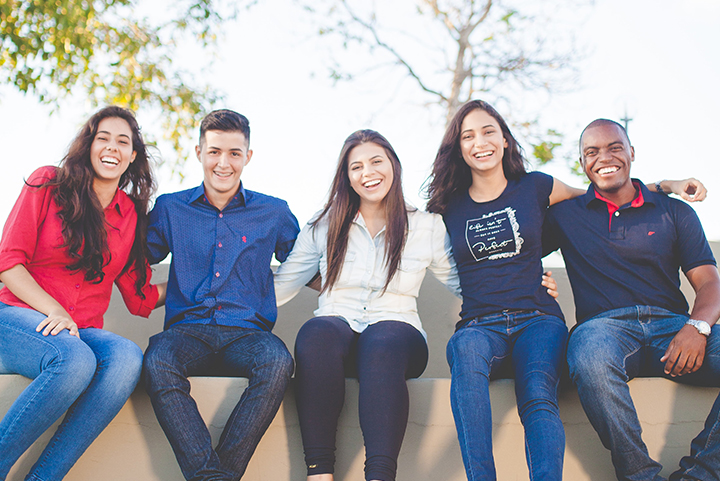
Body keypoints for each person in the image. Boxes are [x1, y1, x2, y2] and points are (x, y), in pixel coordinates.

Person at [424, 100, 702, 481]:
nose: (480, 141)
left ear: (505, 140)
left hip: (539, 319)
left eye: (489, 131)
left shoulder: (537, 186)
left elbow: (602, 192)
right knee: (465, 358)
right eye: (467, 135)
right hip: (481, 323)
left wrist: (663, 186)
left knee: (538, 394)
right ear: (457, 147)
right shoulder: (446, 207)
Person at [273, 130, 467, 481]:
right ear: (346, 177)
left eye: (376, 161)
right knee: (315, 332)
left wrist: (524, 286)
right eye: (356, 167)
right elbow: (282, 284)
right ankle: (319, 473)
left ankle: (380, 475)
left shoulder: (426, 226)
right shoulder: (325, 223)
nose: (368, 173)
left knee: (383, 340)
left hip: (399, 336)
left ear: (393, 164)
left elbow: (463, 283)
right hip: (336, 331)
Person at [543, 119, 720, 481]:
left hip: (673, 328)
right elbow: (515, 245)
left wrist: (697, 327)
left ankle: (701, 474)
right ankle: (640, 476)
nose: (603, 157)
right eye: (591, 152)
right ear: (582, 163)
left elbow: (710, 283)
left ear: (632, 153)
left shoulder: (673, 211)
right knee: (588, 355)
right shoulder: (564, 216)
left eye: (614, 147)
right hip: (604, 331)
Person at [0, 106, 165, 480]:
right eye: (102, 138)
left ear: (133, 155)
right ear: (89, 145)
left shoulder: (130, 215)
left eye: (123, 142)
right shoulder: (48, 183)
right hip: (16, 317)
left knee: (126, 358)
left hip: (80, 329)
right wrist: (55, 310)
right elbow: (9, 261)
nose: (112, 147)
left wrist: (201, 282)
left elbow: (139, 297)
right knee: (75, 360)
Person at [142, 109, 300, 481]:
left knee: (278, 362)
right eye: (214, 152)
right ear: (199, 153)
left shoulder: (274, 212)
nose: (223, 163)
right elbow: (133, 259)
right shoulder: (170, 207)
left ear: (248, 156)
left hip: (248, 334)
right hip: (187, 332)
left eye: (233, 152)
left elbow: (308, 266)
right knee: (157, 360)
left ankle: (211, 476)